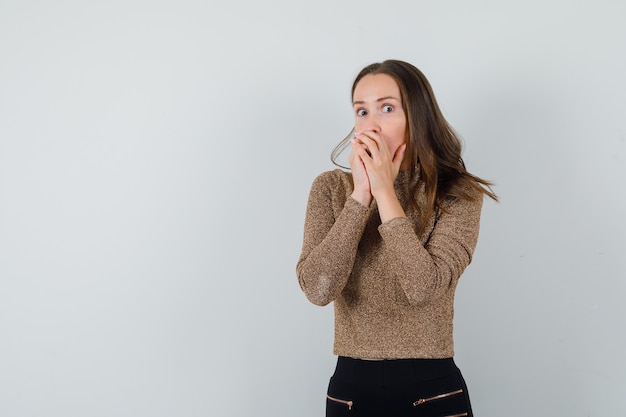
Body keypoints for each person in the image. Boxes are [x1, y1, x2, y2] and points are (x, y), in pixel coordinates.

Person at [296, 59, 497, 417]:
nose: (370, 124)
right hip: (351, 389)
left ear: (418, 116)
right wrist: (360, 197)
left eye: (387, 108)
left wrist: (386, 194)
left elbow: (422, 288)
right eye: (361, 111)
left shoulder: (457, 193)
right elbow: (318, 289)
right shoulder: (330, 188)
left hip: (431, 388)